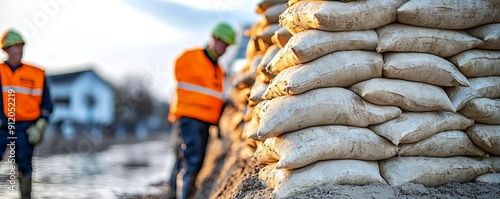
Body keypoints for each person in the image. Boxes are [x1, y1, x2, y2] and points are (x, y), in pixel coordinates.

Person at [167, 22, 236, 199]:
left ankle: (173, 193)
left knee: (186, 160)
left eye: (228, 46)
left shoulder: (219, 71)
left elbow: (216, 97)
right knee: (192, 161)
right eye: (223, 44)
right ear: (214, 38)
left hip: (205, 121)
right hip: (189, 118)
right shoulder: (190, 58)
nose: (225, 49)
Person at [0, 30, 53, 199]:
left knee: (24, 165)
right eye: (14, 47)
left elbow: (47, 105)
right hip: (1, 125)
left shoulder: (37, 74)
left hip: (26, 127)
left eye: (20, 46)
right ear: (6, 50)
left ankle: (25, 197)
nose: (18, 50)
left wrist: (41, 125)